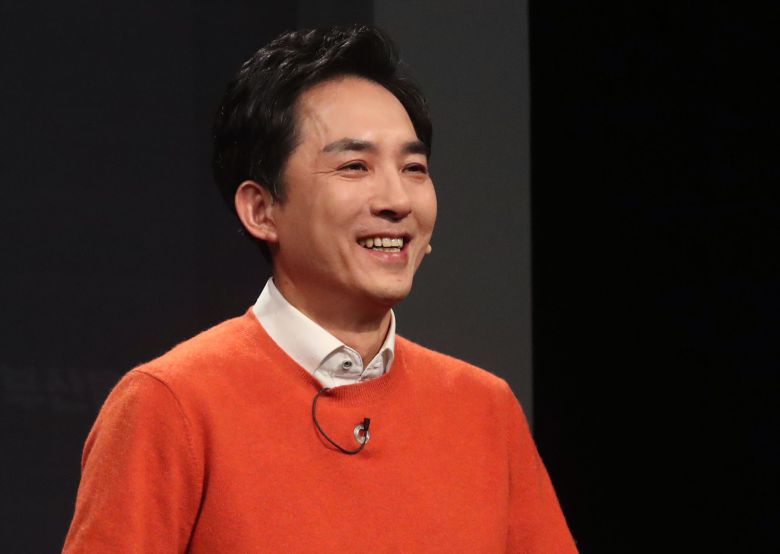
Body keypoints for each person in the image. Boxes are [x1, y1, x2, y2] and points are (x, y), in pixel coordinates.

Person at [62, 25, 577, 553]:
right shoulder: (169, 405)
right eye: (355, 166)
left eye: (414, 168)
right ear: (261, 210)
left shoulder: (485, 409)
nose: (397, 200)